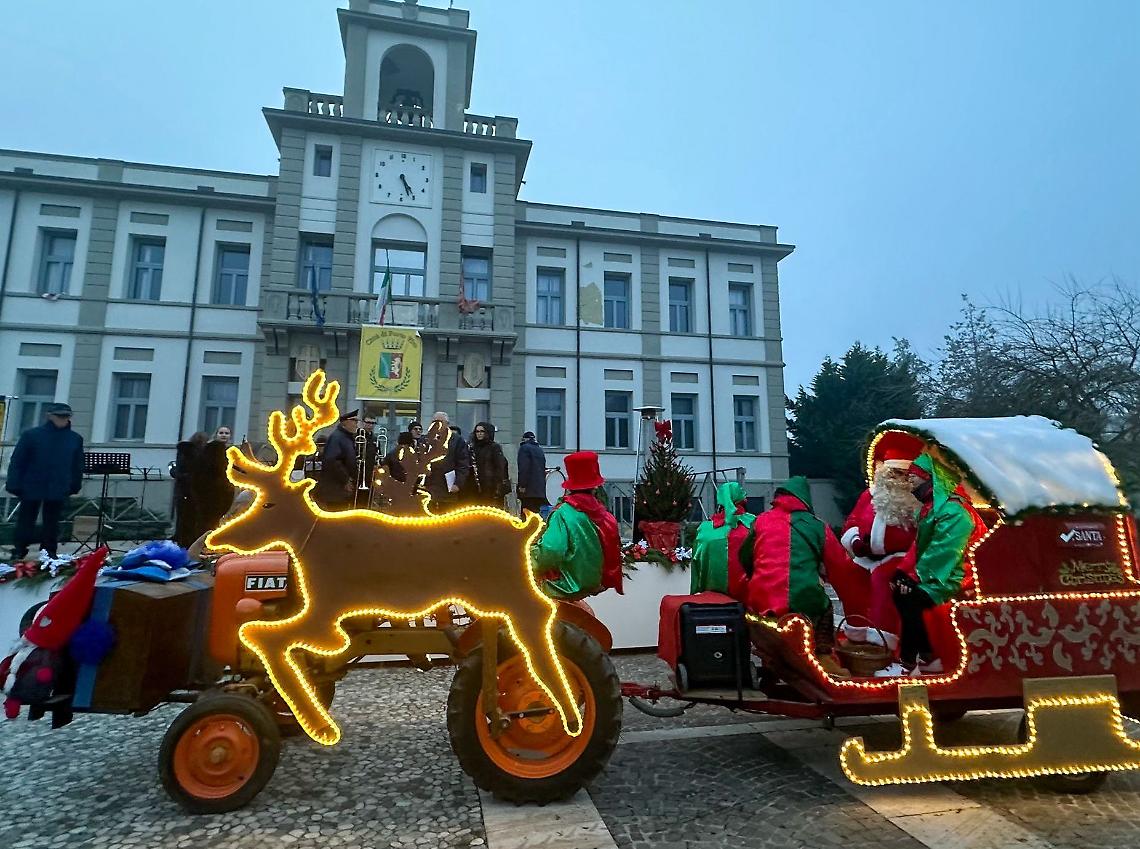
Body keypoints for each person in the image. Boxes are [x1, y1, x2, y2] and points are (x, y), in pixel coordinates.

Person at [876, 453, 986, 677]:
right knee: (901, 594)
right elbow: (919, 548)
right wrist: (901, 573)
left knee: (911, 599)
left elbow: (944, 552)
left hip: (958, 575)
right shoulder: (932, 509)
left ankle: (907, 664)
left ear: (930, 479)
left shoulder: (954, 512)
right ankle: (928, 657)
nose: (910, 482)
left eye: (915, 477)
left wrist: (914, 578)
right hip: (943, 573)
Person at [735, 476, 854, 675]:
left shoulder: (761, 521)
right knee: (825, 607)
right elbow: (839, 565)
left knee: (755, 611)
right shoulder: (816, 525)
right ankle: (824, 657)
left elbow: (745, 555)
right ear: (805, 499)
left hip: (762, 599)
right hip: (804, 599)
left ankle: (771, 655)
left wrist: (755, 576)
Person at [830, 440, 922, 651]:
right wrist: (855, 542)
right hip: (865, 556)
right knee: (849, 575)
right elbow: (851, 523)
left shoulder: (915, 502)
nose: (895, 479)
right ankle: (857, 634)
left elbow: (919, 535)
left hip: (899, 557)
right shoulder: (869, 496)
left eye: (901, 473)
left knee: (884, 580)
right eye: (891, 473)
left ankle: (884, 644)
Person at [530, 451, 623, 604]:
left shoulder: (564, 513)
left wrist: (526, 558)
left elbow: (551, 550)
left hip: (562, 587)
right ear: (595, 487)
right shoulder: (606, 516)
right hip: (592, 586)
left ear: (569, 485)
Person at [5, 402, 85, 560]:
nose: (62, 419)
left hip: (58, 484)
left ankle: (49, 550)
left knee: (52, 521)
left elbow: (77, 465)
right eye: (59, 416)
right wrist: (14, 483)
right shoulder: (31, 435)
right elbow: (18, 461)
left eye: (66, 417)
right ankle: (20, 548)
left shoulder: (75, 439)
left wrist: (75, 484)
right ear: (49, 416)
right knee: (26, 519)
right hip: (32, 483)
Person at [692, 481, 756, 594]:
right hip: (749, 598)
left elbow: (697, 565)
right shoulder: (755, 524)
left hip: (713, 599)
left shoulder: (705, 530)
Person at [311, 409, 359, 510]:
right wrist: (346, 479)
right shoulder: (338, 438)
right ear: (345, 422)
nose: (356, 424)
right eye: (354, 421)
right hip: (336, 489)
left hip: (340, 489)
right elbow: (332, 460)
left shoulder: (345, 437)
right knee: (336, 519)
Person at [424, 412, 469, 513]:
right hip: (428, 487)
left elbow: (463, 464)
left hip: (448, 487)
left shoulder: (456, 440)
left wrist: (458, 483)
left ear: (447, 424)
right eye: (434, 422)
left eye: (440, 422)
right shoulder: (426, 439)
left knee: (446, 520)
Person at [196, 426, 237, 534]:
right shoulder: (210, 449)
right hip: (212, 489)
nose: (224, 435)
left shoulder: (227, 451)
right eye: (221, 433)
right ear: (216, 434)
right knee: (211, 516)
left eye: (227, 433)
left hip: (223, 488)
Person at [172, 431, 208, 547]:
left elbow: (178, 472)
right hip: (193, 491)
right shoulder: (198, 454)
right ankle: (189, 543)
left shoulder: (183, 451)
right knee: (192, 520)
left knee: (183, 520)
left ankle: (182, 543)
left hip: (182, 491)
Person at [466, 421, 509, 507]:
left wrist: (497, 487)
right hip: (474, 486)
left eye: (482, 431)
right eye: (477, 431)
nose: (479, 434)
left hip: (490, 486)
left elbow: (500, 467)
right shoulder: (472, 447)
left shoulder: (494, 447)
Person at [516, 431, 549, 518]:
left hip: (528, 490)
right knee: (536, 515)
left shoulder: (524, 448)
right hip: (539, 491)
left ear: (524, 439)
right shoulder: (540, 450)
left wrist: (522, 485)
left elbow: (524, 468)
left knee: (526, 516)